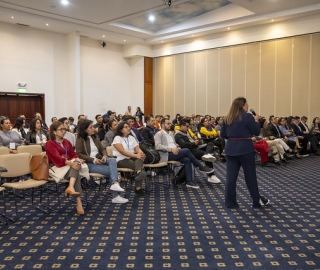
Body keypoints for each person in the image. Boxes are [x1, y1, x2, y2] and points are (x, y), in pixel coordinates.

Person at [221, 97, 269, 209]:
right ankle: (256, 202)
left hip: (231, 149)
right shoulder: (248, 117)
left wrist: (234, 137)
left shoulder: (227, 118)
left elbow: (223, 134)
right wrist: (256, 120)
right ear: (242, 105)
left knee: (231, 178)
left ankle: (230, 203)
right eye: (247, 104)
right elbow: (256, 131)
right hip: (245, 149)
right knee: (250, 177)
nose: (248, 106)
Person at [75, 120, 128, 204]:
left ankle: (114, 183)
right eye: (91, 127)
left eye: (93, 126)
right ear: (85, 129)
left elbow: (102, 149)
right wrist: (93, 160)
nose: (94, 129)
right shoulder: (80, 139)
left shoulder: (95, 137)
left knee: (112, 160)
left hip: (100, 159)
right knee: (112, 170)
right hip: (89, 163)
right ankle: (115, 195)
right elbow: (79, 154)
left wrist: (104, 156)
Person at [155, 118, 214, 189]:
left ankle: (189, 181)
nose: (170, 125)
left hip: (175, 152)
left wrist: (178, 147)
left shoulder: (170, 133)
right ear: (162, 125)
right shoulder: (159, 134)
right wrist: (171, 149)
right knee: (186, 150)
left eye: (170, 123)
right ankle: (201, 167)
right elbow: (157, 146)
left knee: (187, 159)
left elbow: (174, 143)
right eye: (168, 123)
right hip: (166, 154)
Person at [46, 121, 85, 215]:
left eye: (64, 129)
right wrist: (71, 163)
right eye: (61, 129)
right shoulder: (49, 143)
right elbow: (56, 157)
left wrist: (77, 159)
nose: (63, 131)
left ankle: (71, 188)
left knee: (76, 164)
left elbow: (72, 154)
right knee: (76, 170)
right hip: (56, 167)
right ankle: (78, 202)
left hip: (68, 166)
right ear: (54, 132)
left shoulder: (66, 142)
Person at [174, 118, 221, 184]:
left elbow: (192, 141)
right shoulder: (178, 135)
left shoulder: (186, 133)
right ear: (181, 126)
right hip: (189, 151)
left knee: (210, 145)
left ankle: (207, 155)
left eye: (188, 126)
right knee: (206, 156)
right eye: (186, 126)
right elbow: (183, 145)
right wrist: (194, 143)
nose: (188, 128)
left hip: (194, 148)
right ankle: (211, 175)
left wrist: (198, 142)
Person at [112, 121, 147, 197]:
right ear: (121, 129)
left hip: (132, 157)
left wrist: (141, 154)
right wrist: (137, 156)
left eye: (129, 127)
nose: (129, 128)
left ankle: (138, 173)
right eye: (126, 127)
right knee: (138, 163)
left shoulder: (131, 138)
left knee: (139, 159)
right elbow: (122, 152)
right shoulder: (117, 138)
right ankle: (138, 188)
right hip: (120, 160)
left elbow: (138, 149)